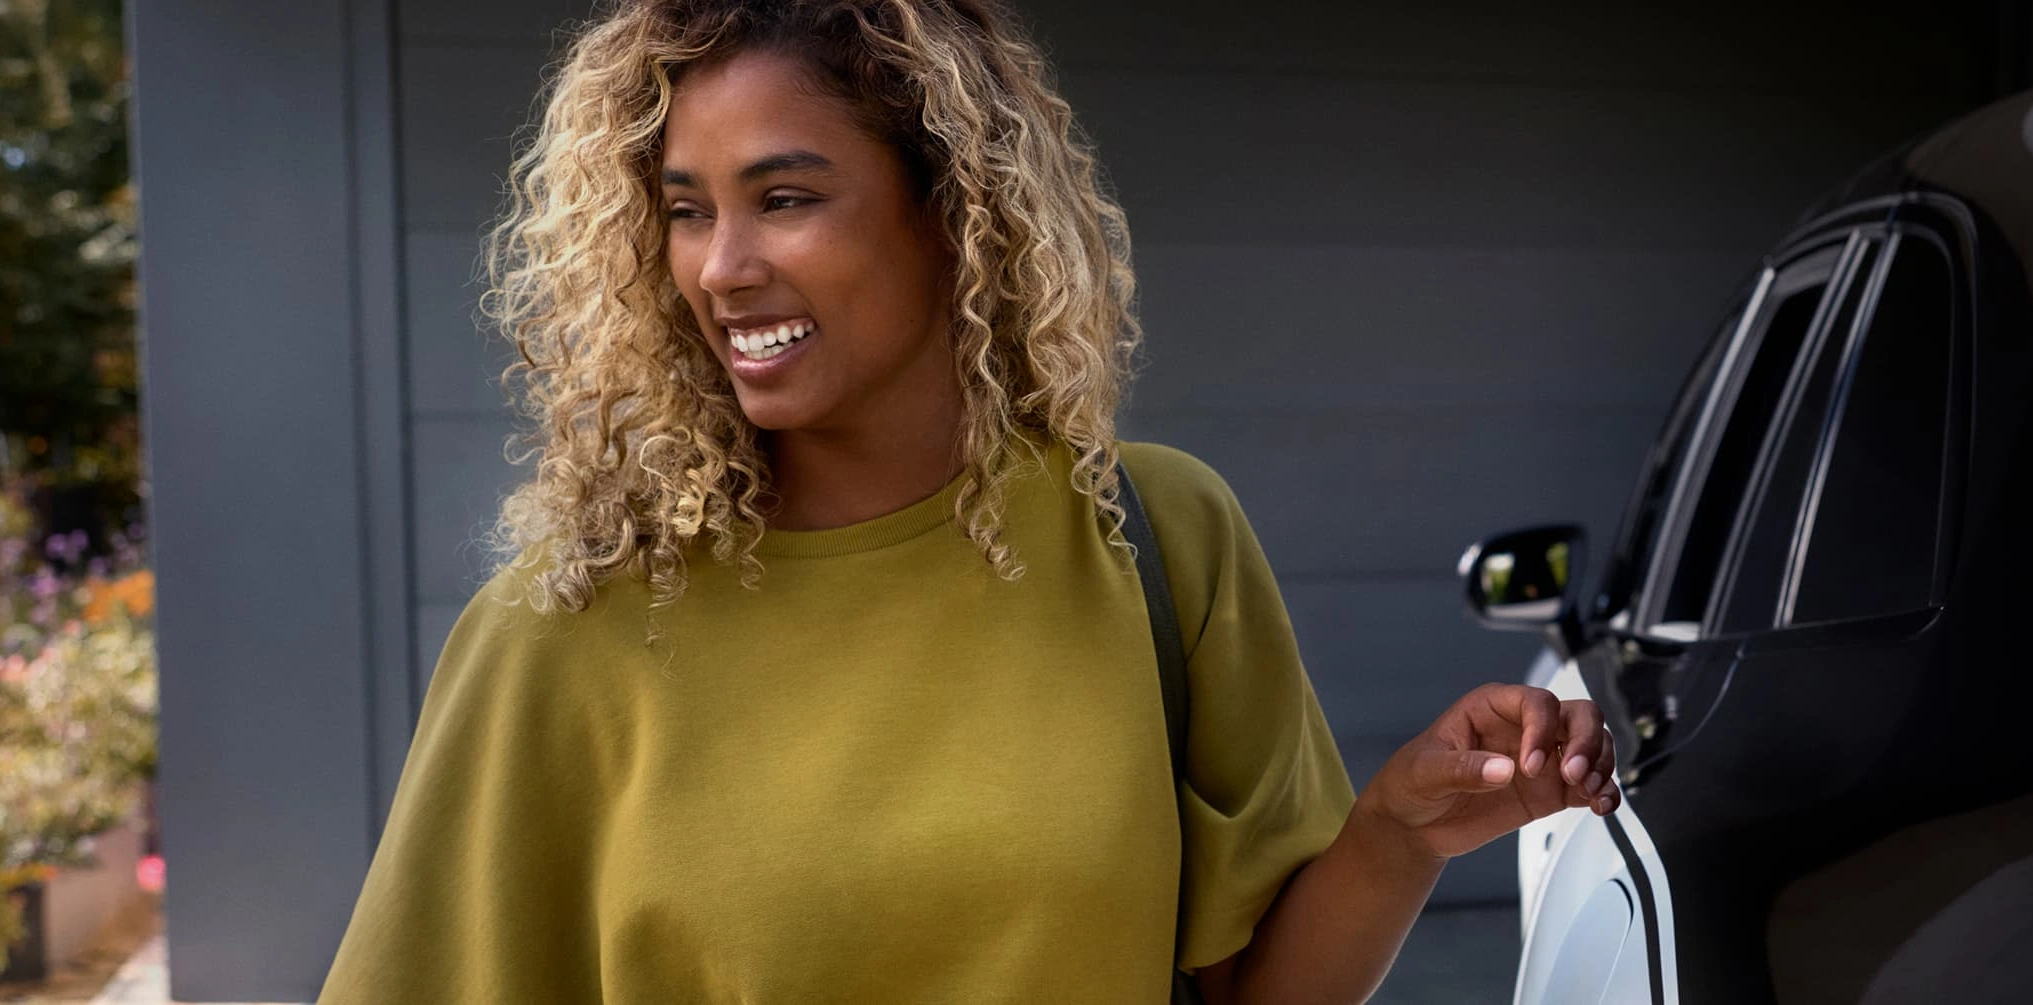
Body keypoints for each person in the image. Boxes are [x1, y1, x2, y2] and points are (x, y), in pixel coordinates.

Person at [316, 2, 1617, 1001]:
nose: (722, 267)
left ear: (956, 211)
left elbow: (1251, 993)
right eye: (685, 210)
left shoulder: (1152, 536)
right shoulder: (563, 630)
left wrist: (1396, 830)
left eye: (785, 198)